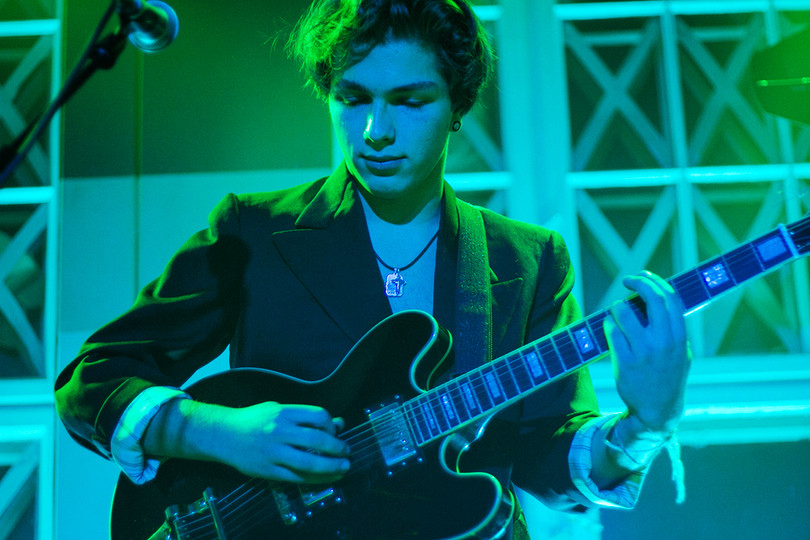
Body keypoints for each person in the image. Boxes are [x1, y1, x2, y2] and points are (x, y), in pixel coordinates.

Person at [55, 0, 691, 538]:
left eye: (410, 102)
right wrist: (222, 432)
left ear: (458, 105)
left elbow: (544, 456)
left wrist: (642, 427)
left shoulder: (528, 260)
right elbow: (93, 378)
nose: (374, 130)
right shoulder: (255, 232)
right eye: (352, 98)